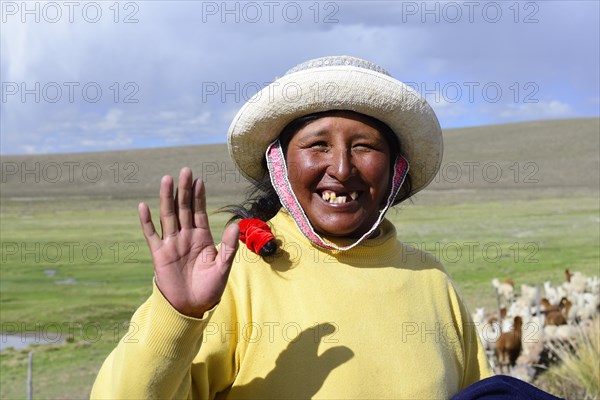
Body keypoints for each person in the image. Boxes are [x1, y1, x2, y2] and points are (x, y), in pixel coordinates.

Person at [91, 56, 560, 399]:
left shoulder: (431, 281)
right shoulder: (236, 279)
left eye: (364, 146)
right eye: (317, 145)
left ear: (395, 169)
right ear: (280, 164)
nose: (341, 168)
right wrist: (176, 312)